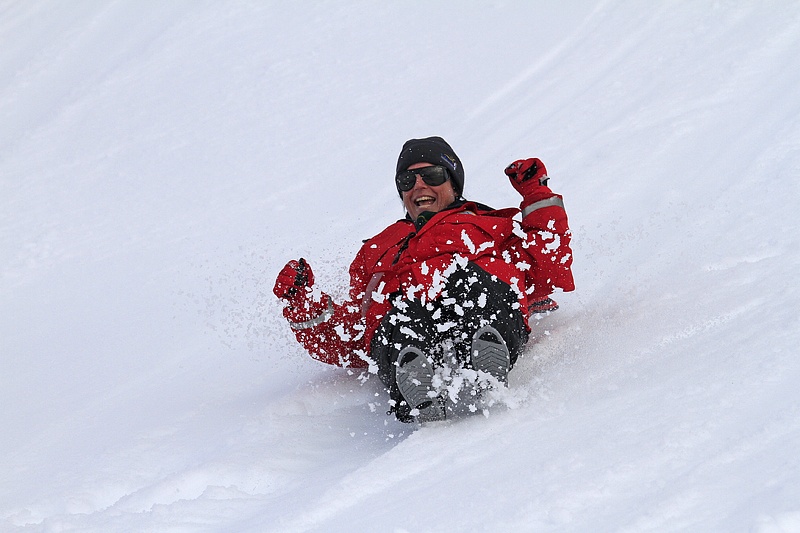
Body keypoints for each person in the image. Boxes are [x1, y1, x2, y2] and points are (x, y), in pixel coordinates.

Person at [273, 136, 574, 422]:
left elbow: (547, 269)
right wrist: (302, 302)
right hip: (407, 322)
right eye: (407, 181)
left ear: (454, 183)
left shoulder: (491, 224)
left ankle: (486, 356)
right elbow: (353, 335)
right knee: (398, 315)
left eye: (431, 174)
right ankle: (415, 381)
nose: (418, 185)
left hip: (480, 304)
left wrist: (538, 197)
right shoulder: (375, 250)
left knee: (471, 280)